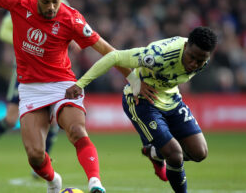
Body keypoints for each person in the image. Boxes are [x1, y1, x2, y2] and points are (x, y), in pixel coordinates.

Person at [0, 0, 147, 192]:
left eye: (56, 1)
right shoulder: (19, 2)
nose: (51, 7)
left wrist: (132, 78)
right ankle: (53, 180)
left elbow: (107, 50)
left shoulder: (71, 18)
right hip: (30, 88)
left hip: (63, 85)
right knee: (35, 155)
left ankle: (95, 182)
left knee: (77, 131)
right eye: (45, 2)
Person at [65, 27, 218, 193]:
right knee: (174, 154)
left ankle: (155, 152)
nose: (194, 64)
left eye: (200, 61)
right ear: (186, 46)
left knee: (199, 153)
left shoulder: (203, 60)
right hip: (142, 101)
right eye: (192, 57)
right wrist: (81, 84)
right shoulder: (158, 55)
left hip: (171, 101)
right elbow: (114, 56)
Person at [0, 10, 59, 178]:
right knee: (11, 119)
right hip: (24, 69)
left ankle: (43, 166)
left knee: (54, 119)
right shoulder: (21, 5)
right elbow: (3, 31)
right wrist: (24, 38)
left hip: (51, 71)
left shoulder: (60, 4)